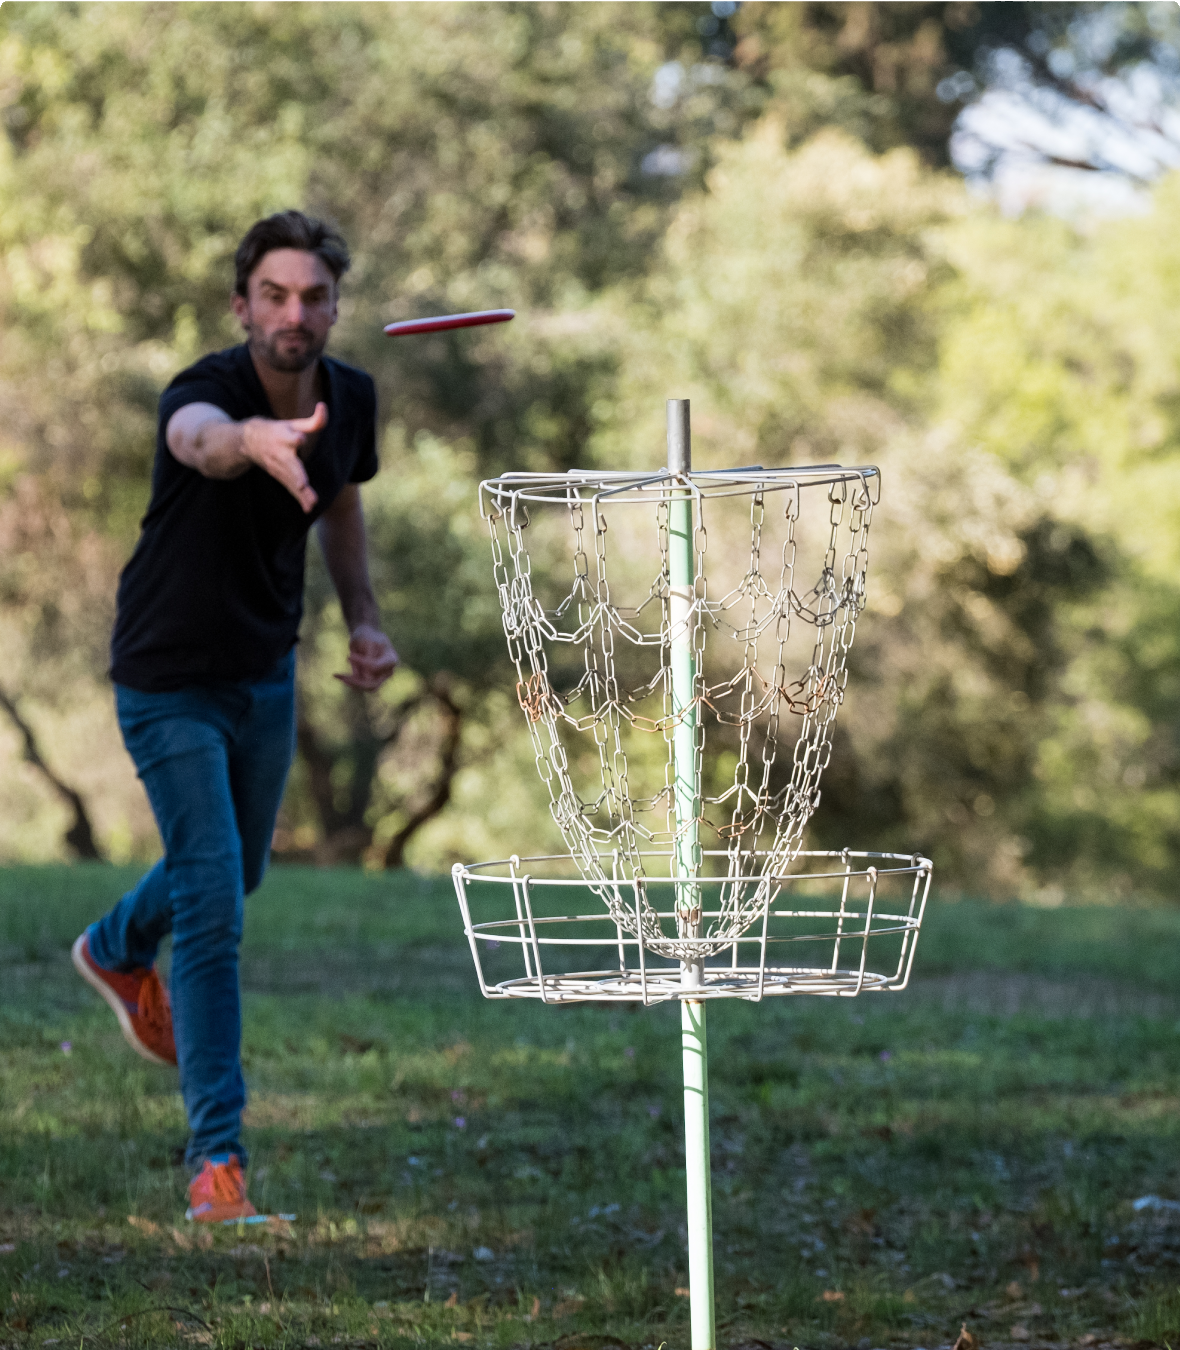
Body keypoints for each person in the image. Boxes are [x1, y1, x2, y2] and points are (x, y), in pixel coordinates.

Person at [72, 210, 397, 1223]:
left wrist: (365, 622)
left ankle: (114, 945)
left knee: (236, 868)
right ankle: (219, 1167)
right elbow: (198, 443)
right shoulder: (205, 395)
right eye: (273, 294)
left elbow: (340, 502)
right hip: (168, 676)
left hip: (264, 673)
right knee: (216, 906)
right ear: (241, 304)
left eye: (312, 296)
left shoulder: (349, 400)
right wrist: (249, 439)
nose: (293, 313)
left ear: (335, 307)